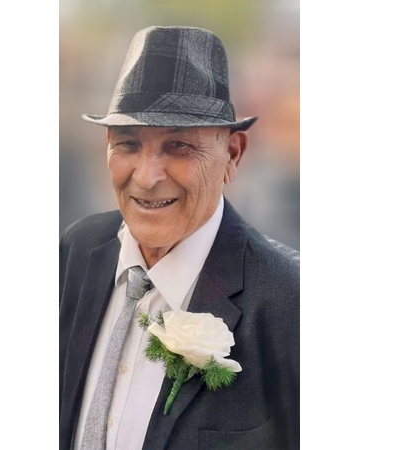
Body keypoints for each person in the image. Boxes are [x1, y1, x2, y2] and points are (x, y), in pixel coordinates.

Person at [59, 26, 299, 450]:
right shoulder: (75, 251)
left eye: (179, 146)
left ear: (233, 154)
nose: (147, 177)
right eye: (128, 144)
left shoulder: (291, 299)